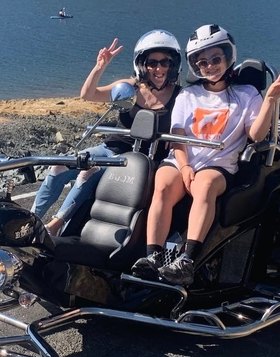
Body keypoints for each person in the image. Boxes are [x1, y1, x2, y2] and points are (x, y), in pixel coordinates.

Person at [131, 24, 280, 286]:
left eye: (216, 59)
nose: (210, 66)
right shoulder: (188, 95)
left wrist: (270, 100)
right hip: (184, 160)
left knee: (205, 184)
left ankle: (187, 260)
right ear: (195, 65)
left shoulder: (246, 94)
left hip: (218, 164)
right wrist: (184, 168)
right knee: (161, 182)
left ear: (229, 58)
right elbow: (177, 138)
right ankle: (154, 256)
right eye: (202, 61)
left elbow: (257, 135)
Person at [33, 30, 183, 235]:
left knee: (88, 172)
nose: (158, 68)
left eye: (164, 62)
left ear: (173, 65)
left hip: (139, 159)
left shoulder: (180, 96)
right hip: (110, 148)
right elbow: (88, 94)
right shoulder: (130, 87)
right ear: (142, 65)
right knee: (59, 166)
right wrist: (99, 67)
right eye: (152, 62)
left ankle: (54, 226)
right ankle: (30, 221)